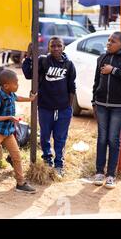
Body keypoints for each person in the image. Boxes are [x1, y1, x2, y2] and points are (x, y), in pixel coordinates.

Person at [22, 37, 76, 178]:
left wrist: (69, 108)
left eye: (59, 46)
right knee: (45, 135)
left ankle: (59, 164)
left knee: (60, 137)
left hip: (63, 108)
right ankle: (47, 159)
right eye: (53, 46)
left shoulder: (69, 64)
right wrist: (28, 56)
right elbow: (28, 74)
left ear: (63, 47)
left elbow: (72, 87)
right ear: (48, 47)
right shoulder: (43, 61)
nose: (56, 48)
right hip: (45, 106)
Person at [92, 31, 121, 189]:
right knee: (102, 138)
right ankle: (99, 172)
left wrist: (114, 71)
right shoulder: (102, 57)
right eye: (108, 40)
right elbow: (96, 80)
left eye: (113, 41)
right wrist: (94, 101)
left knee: (113, 139)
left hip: (119, 106)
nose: (109, 43)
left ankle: (111, 175)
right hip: (101, 104)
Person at [0, 69, 37, 193]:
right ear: (6, 86)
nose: (18, 85)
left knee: (16, 155)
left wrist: (30, 99)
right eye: (16, 83)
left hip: (7, 132)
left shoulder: (11, 94)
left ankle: (20, 183)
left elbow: (18, 98)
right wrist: (9, 118)